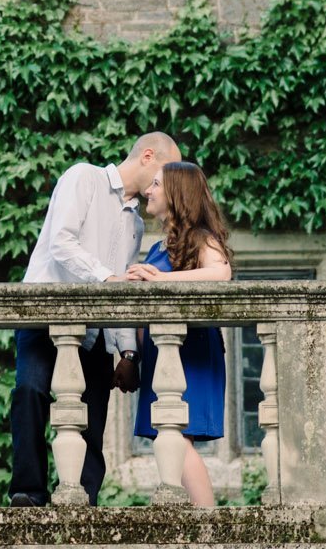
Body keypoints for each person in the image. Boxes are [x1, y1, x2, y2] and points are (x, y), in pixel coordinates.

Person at [9, 131, 181, 507]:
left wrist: (128, 352)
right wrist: (106, 279)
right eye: (167, 171)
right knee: (30, 392)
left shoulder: (135, 224)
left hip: (94, 330)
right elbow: (62, 242)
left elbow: (121, 291)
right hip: (43, 317)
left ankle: (83, 501)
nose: (166, 184)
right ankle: (28, 494)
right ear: (148, 156)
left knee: (94, 415)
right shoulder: (82, 177)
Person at [126, 160, 233, 507]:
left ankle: (210, 528)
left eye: (157, 184)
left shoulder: (202, 238)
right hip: (161, 357)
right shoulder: (159, 248)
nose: (148, 190)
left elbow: (221, 274)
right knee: (169, 438)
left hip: (191, 353)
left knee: (176, 435)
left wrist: (160, 280)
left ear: (176, 194)